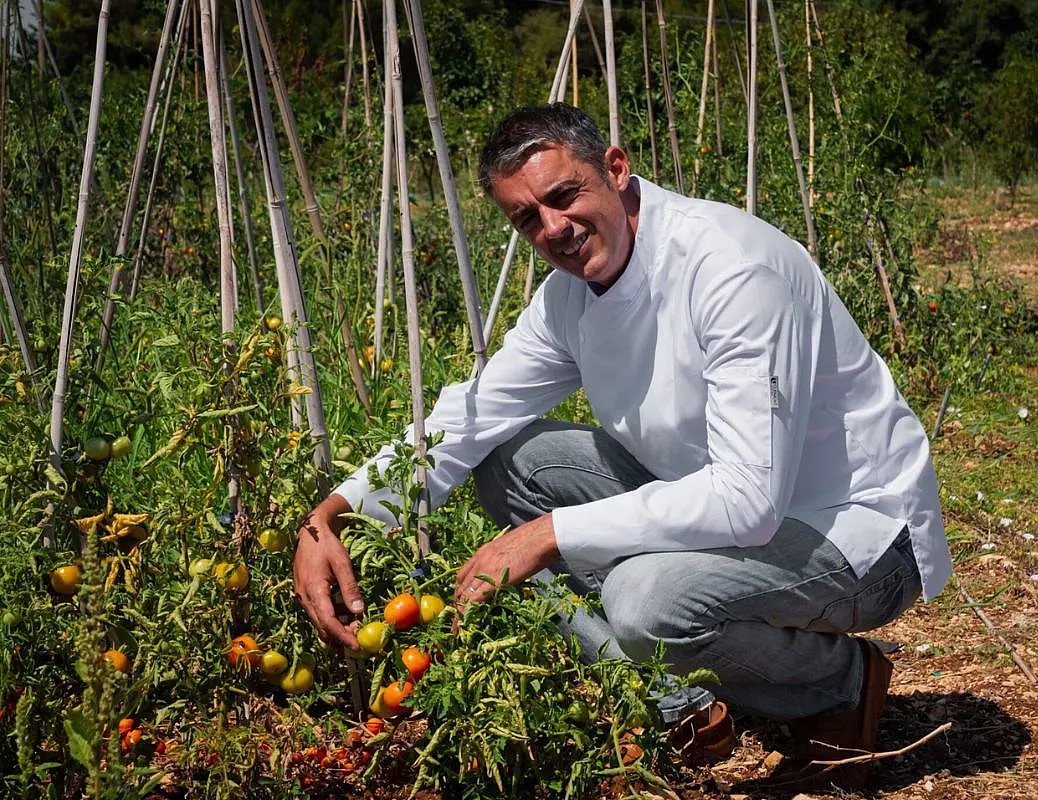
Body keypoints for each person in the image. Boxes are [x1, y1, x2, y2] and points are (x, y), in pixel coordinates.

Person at [294, 103, 952, 788]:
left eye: (563, 195)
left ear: (615, 168)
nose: (554, 229)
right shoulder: (571, 298)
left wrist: (550, 534)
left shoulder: (731, 269)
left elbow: (749, 501)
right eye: (526, 218)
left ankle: (840, 683)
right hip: (719, 506)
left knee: (644, 601)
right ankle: (682, 703)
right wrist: (331, 515)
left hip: (857, 533)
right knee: (510, 462)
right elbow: (473, 415)